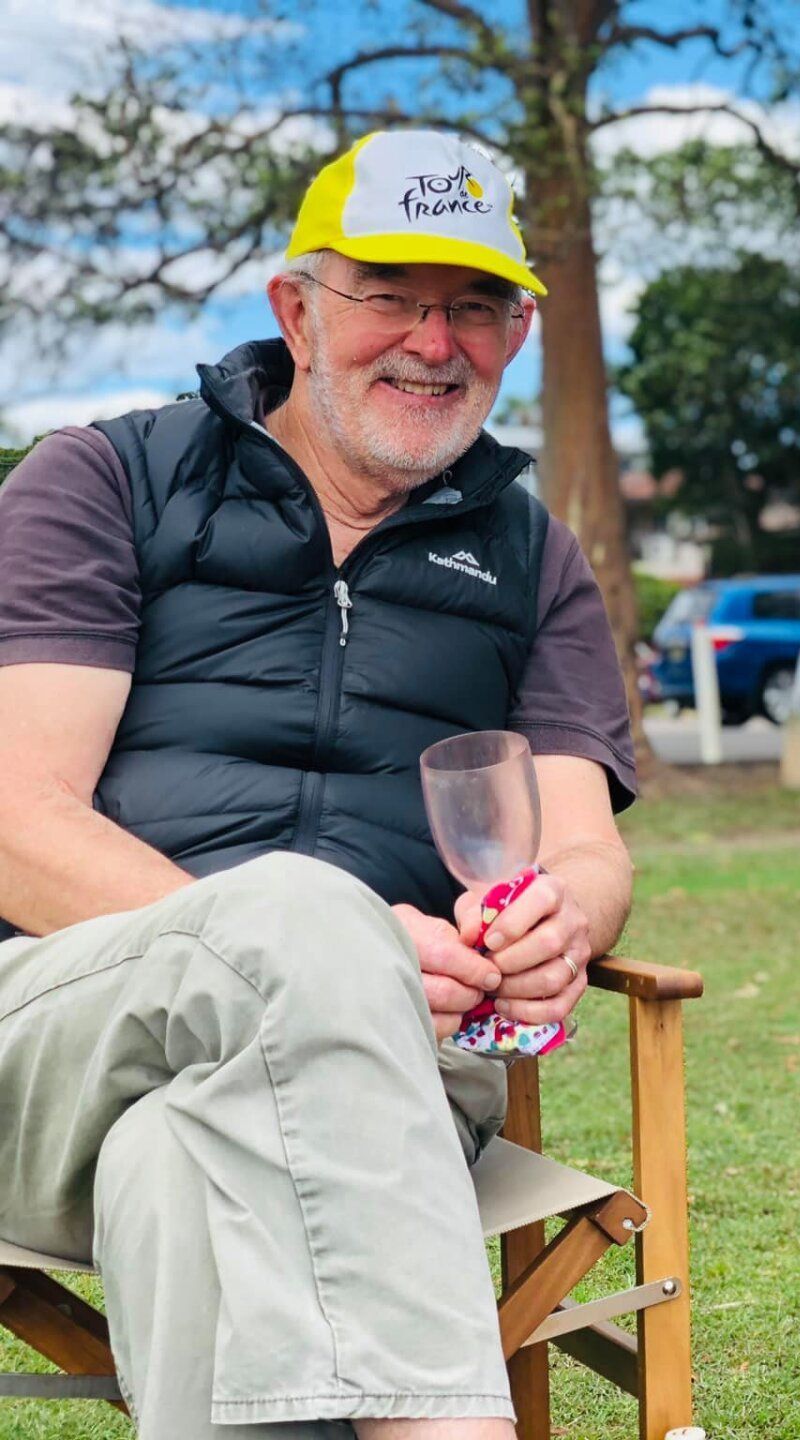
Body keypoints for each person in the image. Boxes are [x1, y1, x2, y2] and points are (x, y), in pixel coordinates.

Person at [0, 130, 639, 1438]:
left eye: (473, 307)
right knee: (301, 910)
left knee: (181, 1164)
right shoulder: (106, 480)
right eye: (391, 298)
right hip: (61, 1043)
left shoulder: (534, 558)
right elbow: (16, 818)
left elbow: (583, 849)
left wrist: (562, 918)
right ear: (295, 308)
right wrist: (320, 939)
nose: (433, 340)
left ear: (519, 334)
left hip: (399, 1071)